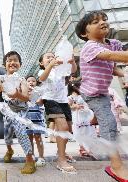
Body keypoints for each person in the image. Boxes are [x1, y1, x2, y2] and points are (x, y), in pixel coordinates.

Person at [76, 10, 128, 181]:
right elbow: (111, 56)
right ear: (85, 33)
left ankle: (95, 120)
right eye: (95, 21)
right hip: (91, 94)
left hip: (103, 92)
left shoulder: (112, 43)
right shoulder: (89, 47)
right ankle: (115, 166)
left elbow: (114, 62)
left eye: (104, 19)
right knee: (110, 122)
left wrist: (120, 73)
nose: (102, 22)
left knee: (106, 119)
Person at [0, 51, 36, 174]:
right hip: (8, 111)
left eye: (15, 60)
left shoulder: (22, 80)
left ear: (20, 64)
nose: (12, 62)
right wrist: (2, 86)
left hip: (21, 111)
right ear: (4, 65)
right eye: (9, 60)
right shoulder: (0, 78)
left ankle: (30, 160)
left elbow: (26, 97)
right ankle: (9, 150)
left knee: (21, 132)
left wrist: (17, 94)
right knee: (7, 135)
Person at [38, 51, 77, 174]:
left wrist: (73, 62)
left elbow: (73, 71)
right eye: (47, 57)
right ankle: (61, 160)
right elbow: (41, 78)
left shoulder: (60, 70)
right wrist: (51, 64)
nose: (51, 58)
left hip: (63, 101)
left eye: (53, 57)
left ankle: (62, 151)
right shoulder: (43, 71)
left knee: (68, 129)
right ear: (41, 62)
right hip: (51, 101)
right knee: (63, 127)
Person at [68, 85, 97, 157]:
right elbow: (68, 106)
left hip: (87, 115)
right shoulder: (71, 96)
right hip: (78, 116)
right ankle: (82, 148)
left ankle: (90, 149)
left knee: (89, 132)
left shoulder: (88, 95)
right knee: (80, 133)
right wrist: (75, 106)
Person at [25, 75, 46, 167]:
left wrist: (34, 94)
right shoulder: (23, 92)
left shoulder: (38, 92)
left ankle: (41, 157)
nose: (31, 82)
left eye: (33, 81)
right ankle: (32, 156)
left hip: (37, 118)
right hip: (27, 118)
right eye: (28, 81)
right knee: (29, 138)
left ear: (36, 83)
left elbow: (40, 102)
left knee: (38, 137)